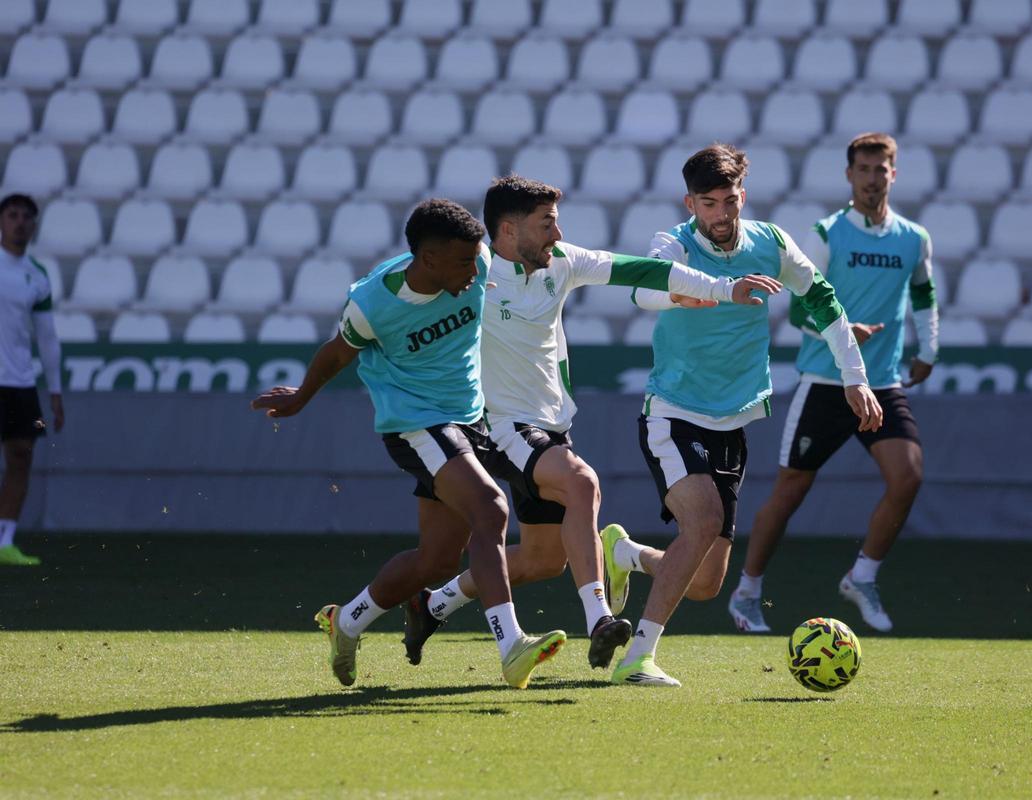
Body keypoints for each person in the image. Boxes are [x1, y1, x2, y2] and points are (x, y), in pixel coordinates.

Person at [402, 175, 783, 674]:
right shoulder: (470, 273)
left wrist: (724, 288)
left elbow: (644, 271)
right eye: (548, 223)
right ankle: (600, 619)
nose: (558, 234)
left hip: (551, 423)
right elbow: (398, 296)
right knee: (583, 483)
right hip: (502, 426)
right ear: (509, 230)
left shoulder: (561, 262)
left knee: (542, 560)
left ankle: (432, 605)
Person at [251, 199, 564, 690]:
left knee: (437, 561)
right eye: (463, 261)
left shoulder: (476, 262)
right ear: (428, 259)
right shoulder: (374, 303)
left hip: (467, 421)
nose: (476, 269)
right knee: (491, 509)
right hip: (415, 425)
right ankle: (511, 647)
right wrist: (301, 397)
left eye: (476, 257)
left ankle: (346, 622)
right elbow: (337, 354)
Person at [602, 144, 882, 686]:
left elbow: (822, 299)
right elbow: (641, 291)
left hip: (734, 420)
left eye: (729, 201)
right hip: (674, 411)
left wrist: (856, 378)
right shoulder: (673, 244)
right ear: (691, 204)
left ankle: (627, 553)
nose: (721, 214)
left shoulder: (769, 241)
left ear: (742, 198)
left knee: (705, 583)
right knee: (703, 521)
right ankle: (638, 658)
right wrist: (681, 296)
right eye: (708, 203)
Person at [728, 132, 939, 634]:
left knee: (907, 476)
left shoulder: (914, 238)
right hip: (827, 380)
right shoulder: (826, 234)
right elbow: (799, 308)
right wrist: (844, 331)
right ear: (849, 175)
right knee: (791, 490)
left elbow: (924, 294)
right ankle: (747, 592)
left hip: (882, 382)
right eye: (863, 169)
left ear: (894, 173)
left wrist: (929, 348)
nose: (871, 178)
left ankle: (862, 575)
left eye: (880, 169)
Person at [0, 194, 63, 568]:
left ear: (34, 225)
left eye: (26, 216)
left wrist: (54, 391)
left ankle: (4, 541)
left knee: (21, 458)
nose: (20, 222)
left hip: (21, 384)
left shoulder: (37, 275)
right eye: (12, 215)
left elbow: (47, 338)